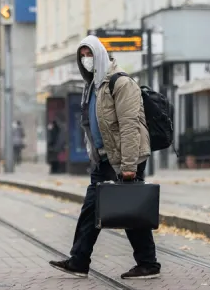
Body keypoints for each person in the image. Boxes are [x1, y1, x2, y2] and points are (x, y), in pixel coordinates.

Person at [49, 36, 161, 280]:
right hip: (104, 159)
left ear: (99, 54)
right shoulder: (93, 86)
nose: (85, 60)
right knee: (91, 210)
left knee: (130, 210)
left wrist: (129, 166)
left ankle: (148, 263)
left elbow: (130, 125)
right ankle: (79, 261)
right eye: (82, 56)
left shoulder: (120, 83)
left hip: (125, 158)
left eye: (89, 54)